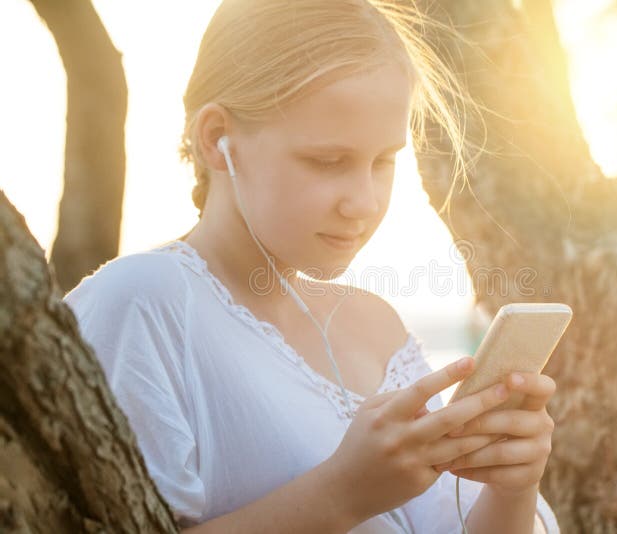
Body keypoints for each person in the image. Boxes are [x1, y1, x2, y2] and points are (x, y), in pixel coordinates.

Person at [63, 1, 560, 532]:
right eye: (328, 162)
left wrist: (513, 487)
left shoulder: (376, 326)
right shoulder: (143, 303)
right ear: (216, 139)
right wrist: (340, 494)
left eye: (383, 161)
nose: (364, 202)